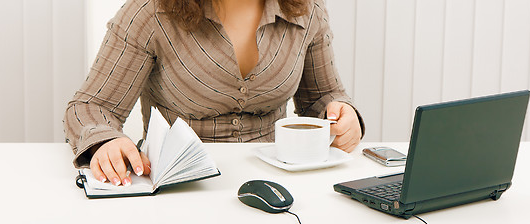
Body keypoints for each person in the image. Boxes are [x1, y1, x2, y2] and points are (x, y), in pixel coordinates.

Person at [63, 0, 365, 187]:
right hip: (179, 186)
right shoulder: (149, 11)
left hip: (280, 187)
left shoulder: (307, 8)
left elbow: (322, 98)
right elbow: (91, 106)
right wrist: (107, 139)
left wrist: (342, 114)